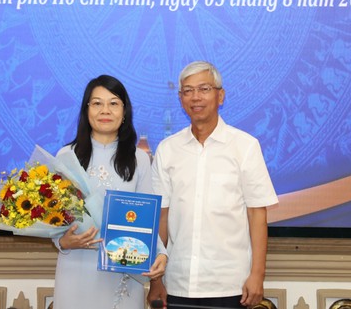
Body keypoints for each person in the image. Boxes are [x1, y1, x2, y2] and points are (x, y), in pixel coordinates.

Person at [149, 61, 278, 309]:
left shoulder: (245, 146)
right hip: (178, 282)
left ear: (220, 95)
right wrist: (157, 280)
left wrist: (257, 275)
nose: (195, 97)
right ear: (180, 98)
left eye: (204, 89)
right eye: (188, 91)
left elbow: (257, 214)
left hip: (230, 284)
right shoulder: (168, 149)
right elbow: (162, 216)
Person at [52, 74, 167, 309]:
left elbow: (148, 220)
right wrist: (63, 242)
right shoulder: (66, 157)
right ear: (86, 111)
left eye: (113, 103)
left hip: (122, 272)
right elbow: (54, 220)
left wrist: (161, 254)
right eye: (97, 103)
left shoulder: (139, 159)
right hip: (76, 268)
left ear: (124, 112)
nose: (105, 110)